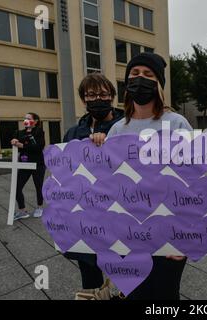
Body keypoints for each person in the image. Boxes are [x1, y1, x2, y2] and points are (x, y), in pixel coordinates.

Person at [102, 52, 191, 300]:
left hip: (167, 232)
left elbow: (193, 182)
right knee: (133, 293)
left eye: (148, 75)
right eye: (135, 74)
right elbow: (106, 180)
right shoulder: (118, 129)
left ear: (159, 84)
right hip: (128, 233)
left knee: (165, 295)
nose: (140, 79)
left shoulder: (177, 123)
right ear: (127, 83)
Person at [63, 72, 124, 292]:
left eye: (103, 94)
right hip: (86, 214)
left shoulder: (127, 128)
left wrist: (110, 146)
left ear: (112, 97)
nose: (98, 99)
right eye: (91, 95)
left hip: (121, 212)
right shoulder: (73, 133)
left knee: (128, 269)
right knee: (89, 272)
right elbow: (65, 171)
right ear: (83, 100)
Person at [11, 113, 46, 221]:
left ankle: (40, 207)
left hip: (38, 164)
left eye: (29, 118)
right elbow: (15, 143)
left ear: (35, 121)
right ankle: (22, 211)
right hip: (24, 163)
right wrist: (13, 141)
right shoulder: (19, 132)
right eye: (25, 118)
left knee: (38, 186)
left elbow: (39, 146)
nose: (26, 120)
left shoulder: (39, 132)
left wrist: (23, 145)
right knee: (16, 187)